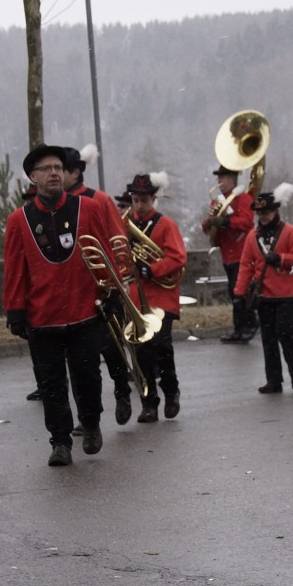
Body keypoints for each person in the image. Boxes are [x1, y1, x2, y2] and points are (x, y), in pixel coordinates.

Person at [2, 144, 123, 465]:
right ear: (32, 177)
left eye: (58, 167)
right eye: (46, 169)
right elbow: (15, 268)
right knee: (51, 384)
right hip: (43, 317)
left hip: (85, 310)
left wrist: (109, 292)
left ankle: (93, 423)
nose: (54, 172)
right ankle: (60, 442)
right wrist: (15, 309)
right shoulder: (19, 219)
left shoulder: (88, 207)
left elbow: (103, 257)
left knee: (88, 377)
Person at [63, 144, 133, 426]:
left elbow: (118, 241)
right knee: (78, 362)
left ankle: (122, 390)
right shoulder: (56, 204)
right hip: (71, 292)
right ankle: (86, 416)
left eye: (61, 169)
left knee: (111, 348)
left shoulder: (99, 200)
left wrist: (119, 281)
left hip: (102, 287)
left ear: (76, 172)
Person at [124, 172, 188, 422]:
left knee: (162, 348)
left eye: (144, 200)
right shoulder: (125, 224)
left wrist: (152, 268)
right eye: (136, 201)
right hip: (136, 297)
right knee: (141, 353)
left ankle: (171, 392)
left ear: (153, 199)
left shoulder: (165, 225)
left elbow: (178, 257)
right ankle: (149, 403)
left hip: (161, 296)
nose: (139, 206)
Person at [233, 183, 293, 394]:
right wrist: (239, 293)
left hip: (288, 293)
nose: (263, 216)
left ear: (275, 211)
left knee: (285, 333)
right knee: (268, 338)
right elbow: (245, 265)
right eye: (260, 213)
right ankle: (274, 381)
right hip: (265, 294)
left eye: (267, 212)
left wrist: (281, 258)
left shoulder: (290, 232)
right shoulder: (253, 237)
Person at [203, 165, 256, 343]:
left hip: (243, 253)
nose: (219, 182)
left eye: (223, 178)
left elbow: (247, 221)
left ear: (233, 180)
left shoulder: (243, 198)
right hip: (228, 253)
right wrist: (209, 223)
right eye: (218, 178)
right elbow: (207, 224)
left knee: (241, 292)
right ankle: (239, 328)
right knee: (234, 293)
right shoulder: (217, 201)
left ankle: (249, 324)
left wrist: (225, 221)